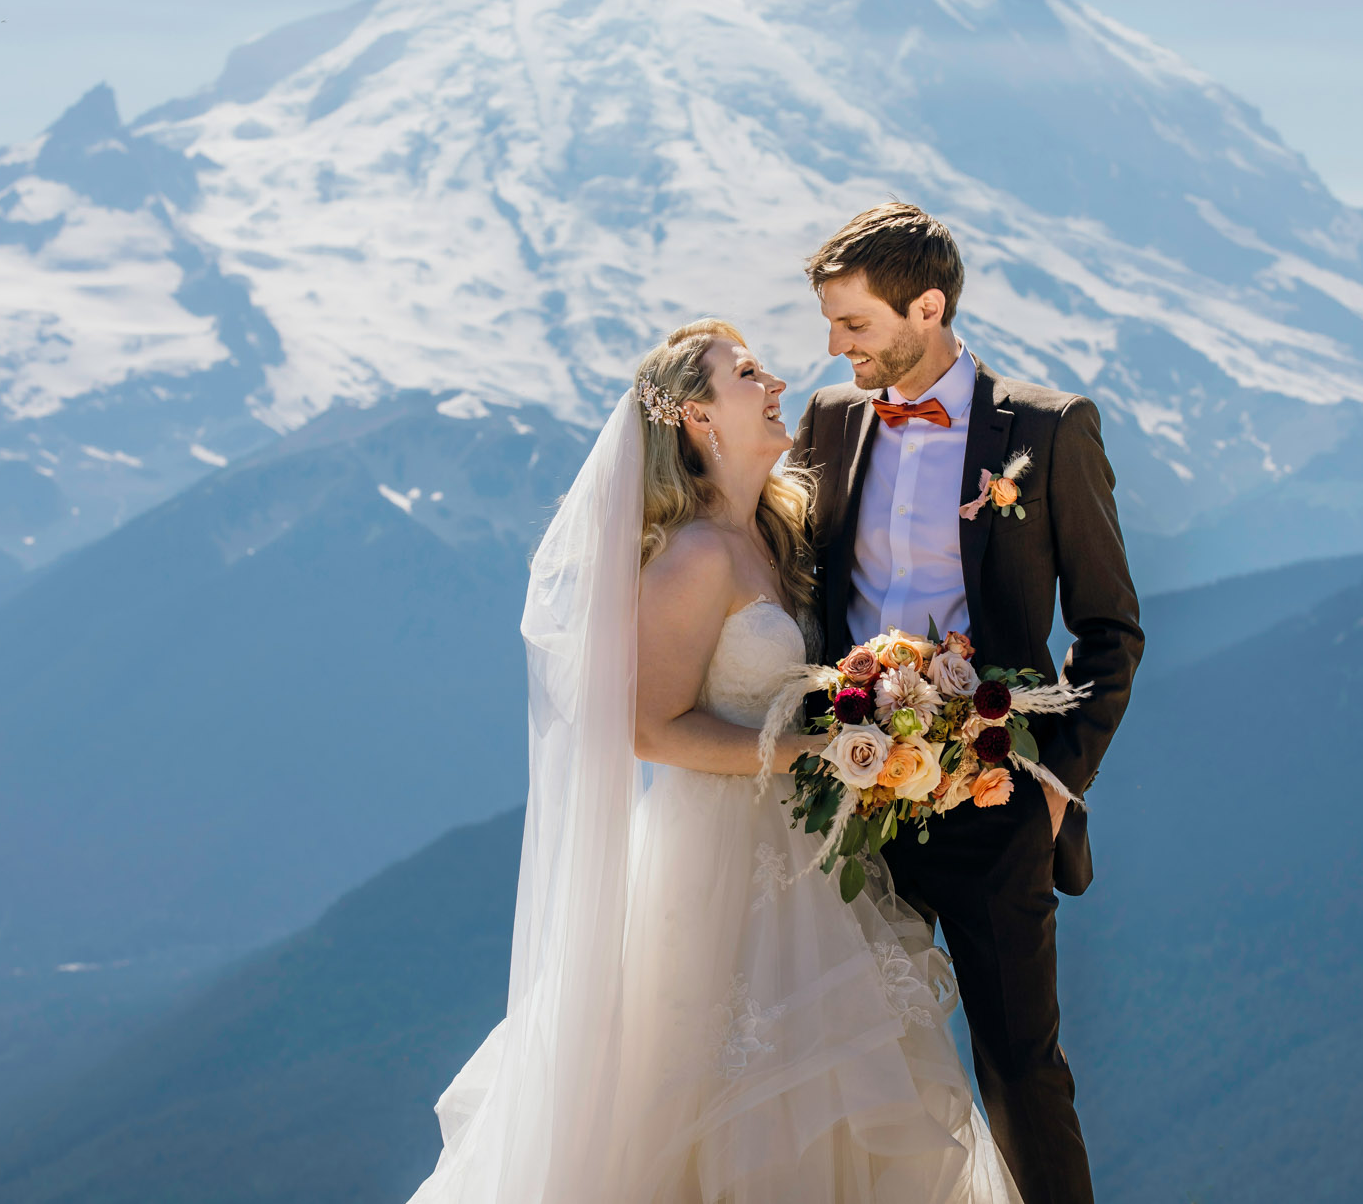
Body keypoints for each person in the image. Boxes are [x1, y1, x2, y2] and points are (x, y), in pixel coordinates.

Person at [408, 318, 1020, 1202]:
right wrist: (816, 750)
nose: (775, 382)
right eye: (747, 372)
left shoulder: (775, 533)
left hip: (804, 856)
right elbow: (649, 728)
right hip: (718, 868)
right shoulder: (694, 554)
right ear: (698, 418)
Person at [787, 203, 1146, 1204]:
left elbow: (1111, 630)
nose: (832, 346)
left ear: (927, 306)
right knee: (845, 1073)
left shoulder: (1046, 427)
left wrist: (1048, 781)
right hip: (848, 810)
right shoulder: (826, 421)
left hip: (994, 807)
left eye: (852, 325)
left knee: (1019, 1070)